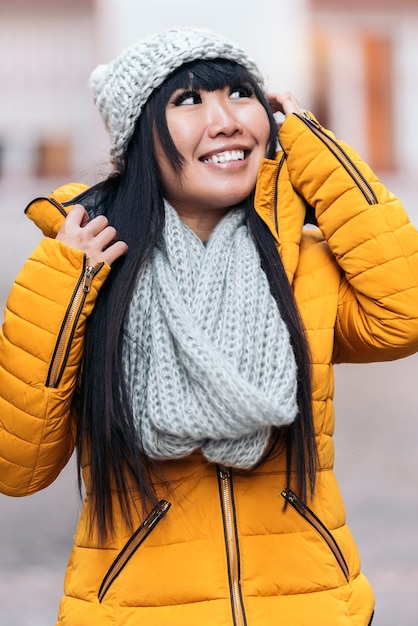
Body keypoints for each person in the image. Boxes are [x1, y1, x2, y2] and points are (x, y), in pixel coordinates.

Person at [0, 27, 417, 626]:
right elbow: (19, 466)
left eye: (240, 94)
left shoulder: (303, 264)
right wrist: (66, 283)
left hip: (309, 607)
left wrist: (314, 145)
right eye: (188, 100)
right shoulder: (84, 270)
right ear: (138, 137)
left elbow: (406, 313)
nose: (225, 121)